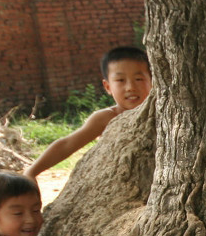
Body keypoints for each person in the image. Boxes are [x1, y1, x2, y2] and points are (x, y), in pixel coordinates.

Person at [24, 46, 152, 180]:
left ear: (153, 81)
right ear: (108, 87)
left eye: (139, 79)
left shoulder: (161, 115)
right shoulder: (107, 118)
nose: (130, 87)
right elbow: (67, 145)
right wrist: (32, 171)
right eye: (120, 80)